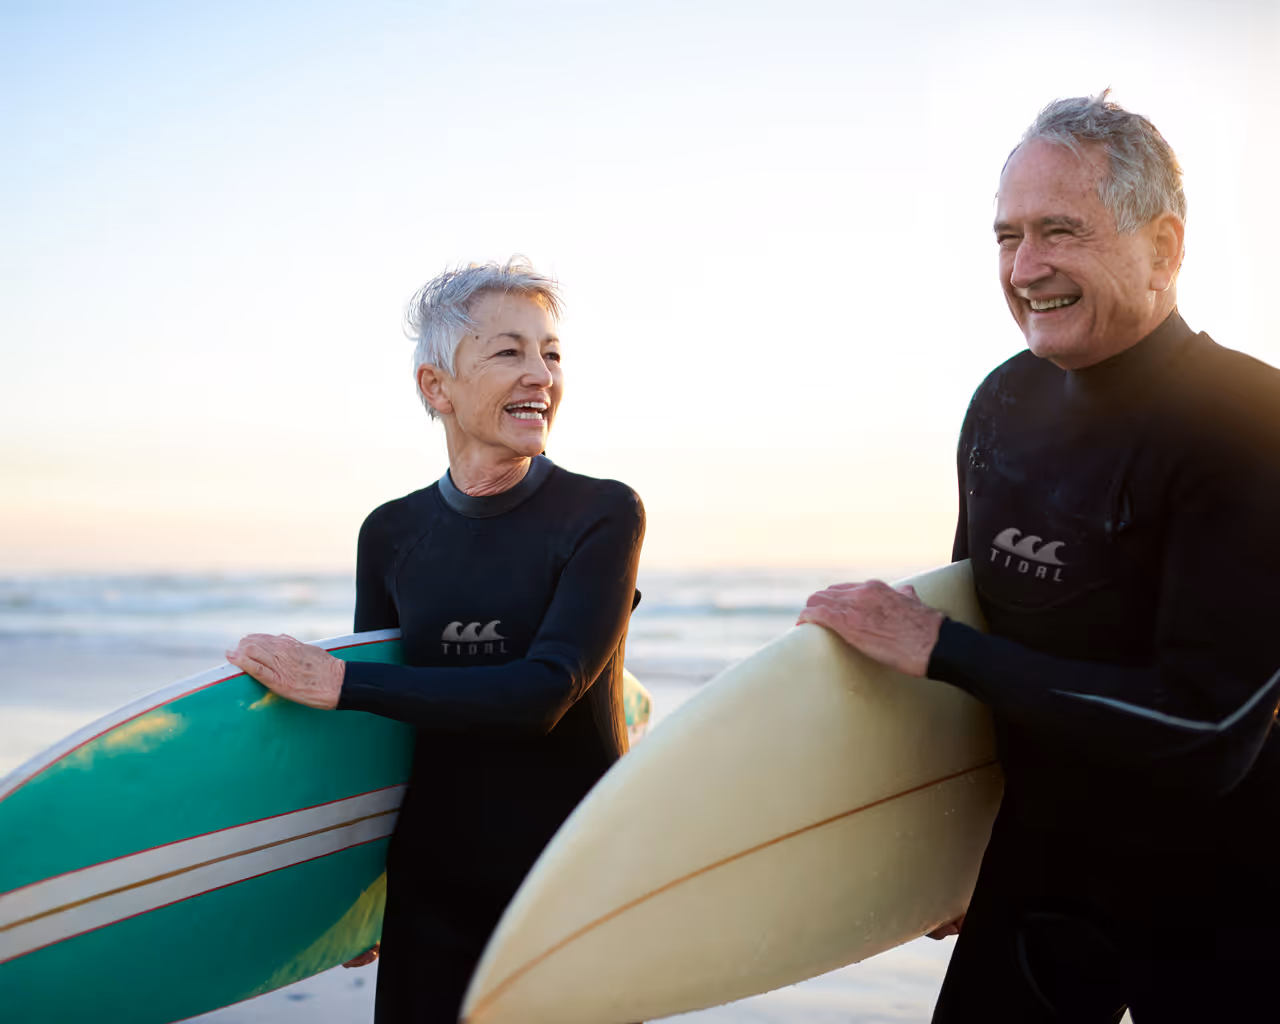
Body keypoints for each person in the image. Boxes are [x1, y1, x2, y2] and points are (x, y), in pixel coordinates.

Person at [798, 93, 1280, 1021]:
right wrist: (944, 849)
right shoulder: (1004, 406)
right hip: (1043, 870)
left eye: (1061, 231)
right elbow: (971, 634)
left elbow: (1209, 733)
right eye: (1008, 236)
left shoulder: (1250, 425)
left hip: (1233, 893)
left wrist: (939, 648)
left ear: (1164, 247)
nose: (1025, 269)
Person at [226, 258, 646, 1023]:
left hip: (573, 884)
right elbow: (377, 742)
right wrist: (348, 893)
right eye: (509, 351)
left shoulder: (602, 513)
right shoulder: (392, 532)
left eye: (551, 353)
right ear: (436, 386)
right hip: (430, 891)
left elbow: (544, 693)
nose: (541, 375)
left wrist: (340, 683)